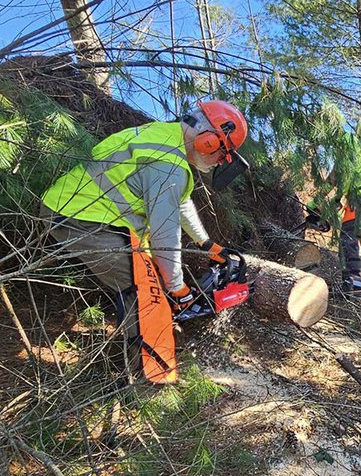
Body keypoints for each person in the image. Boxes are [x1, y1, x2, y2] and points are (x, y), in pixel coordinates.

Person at [40, 100, 247, 382]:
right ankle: (149, 379)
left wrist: (205, 242)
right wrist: (177, 289)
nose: (219, 161)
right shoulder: (168, 165)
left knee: (150, 282)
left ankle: (149, 356)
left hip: (83, 210)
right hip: (80, 216)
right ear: (209, 141)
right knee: (145, 293)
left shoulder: (166, 138)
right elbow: (165, 233)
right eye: (222, 154)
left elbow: (181, 202)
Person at [306, 130, 361, 300]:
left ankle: (352, 288)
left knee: (348, 243)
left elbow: (335, 180)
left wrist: (316, 203)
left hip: (358, 202)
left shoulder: (347, 155)